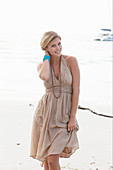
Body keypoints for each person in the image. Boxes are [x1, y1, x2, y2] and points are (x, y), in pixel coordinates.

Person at [30, 31, 80, 170]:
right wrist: (46, 57)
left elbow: (76, 90)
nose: (58, 48)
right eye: (53, 46)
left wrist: (72, 117)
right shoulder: (42, 66)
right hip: (45, 114)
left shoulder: (71, 61)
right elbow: (45, 76)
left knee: (52, 158)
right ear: (46, 48)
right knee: (47, 159)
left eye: (59, 44)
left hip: (64, 116)